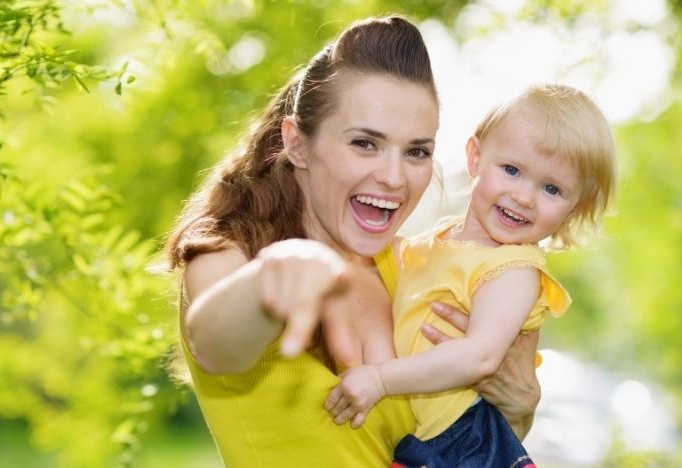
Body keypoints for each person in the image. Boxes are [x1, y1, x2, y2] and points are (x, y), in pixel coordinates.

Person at [166, 15, 541, 467]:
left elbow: (456, 443)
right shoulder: (230, 254)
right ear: (298, 144)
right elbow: (214, 344)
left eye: (416, 151)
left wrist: (517, 411)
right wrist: (274, 278)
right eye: (365, 143)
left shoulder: (413, 269)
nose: (393, 177)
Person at [324, 83, 617, 467]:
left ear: (574, 209)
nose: (524, 196)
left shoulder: (513, 270)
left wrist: (380, 379)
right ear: (475, 157)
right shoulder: (438, 241)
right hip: (431, 436)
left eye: (551, 188)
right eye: (512, 170)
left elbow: (479, 357)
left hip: (468, 439)